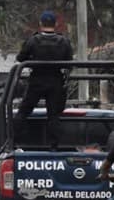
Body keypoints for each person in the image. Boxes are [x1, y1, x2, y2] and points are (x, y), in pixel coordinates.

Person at [16, 10, 73, 150]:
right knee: (53, 115)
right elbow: (69, 62)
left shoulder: (33, 41)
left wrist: (32, 60)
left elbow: (20, 58)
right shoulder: (64, 41)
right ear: (56, 24)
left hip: (37, 81)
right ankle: (54, 146)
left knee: (23, 112)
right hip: (56, 81)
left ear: (41, 24)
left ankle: (15, 141)